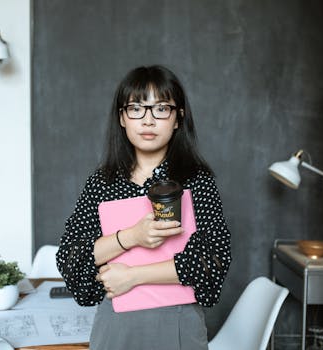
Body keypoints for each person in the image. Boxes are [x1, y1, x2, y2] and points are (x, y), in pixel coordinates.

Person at [56, 65, 232, 350]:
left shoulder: (196, 180)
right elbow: (71, 259)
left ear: (178, 118)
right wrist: (132, 237)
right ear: (122, 117)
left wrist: (133, 276)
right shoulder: (102, 183)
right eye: (137, 108)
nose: (148, 120)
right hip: (115, 324)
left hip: (178, 324)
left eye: (161, 109)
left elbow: (212, 260)